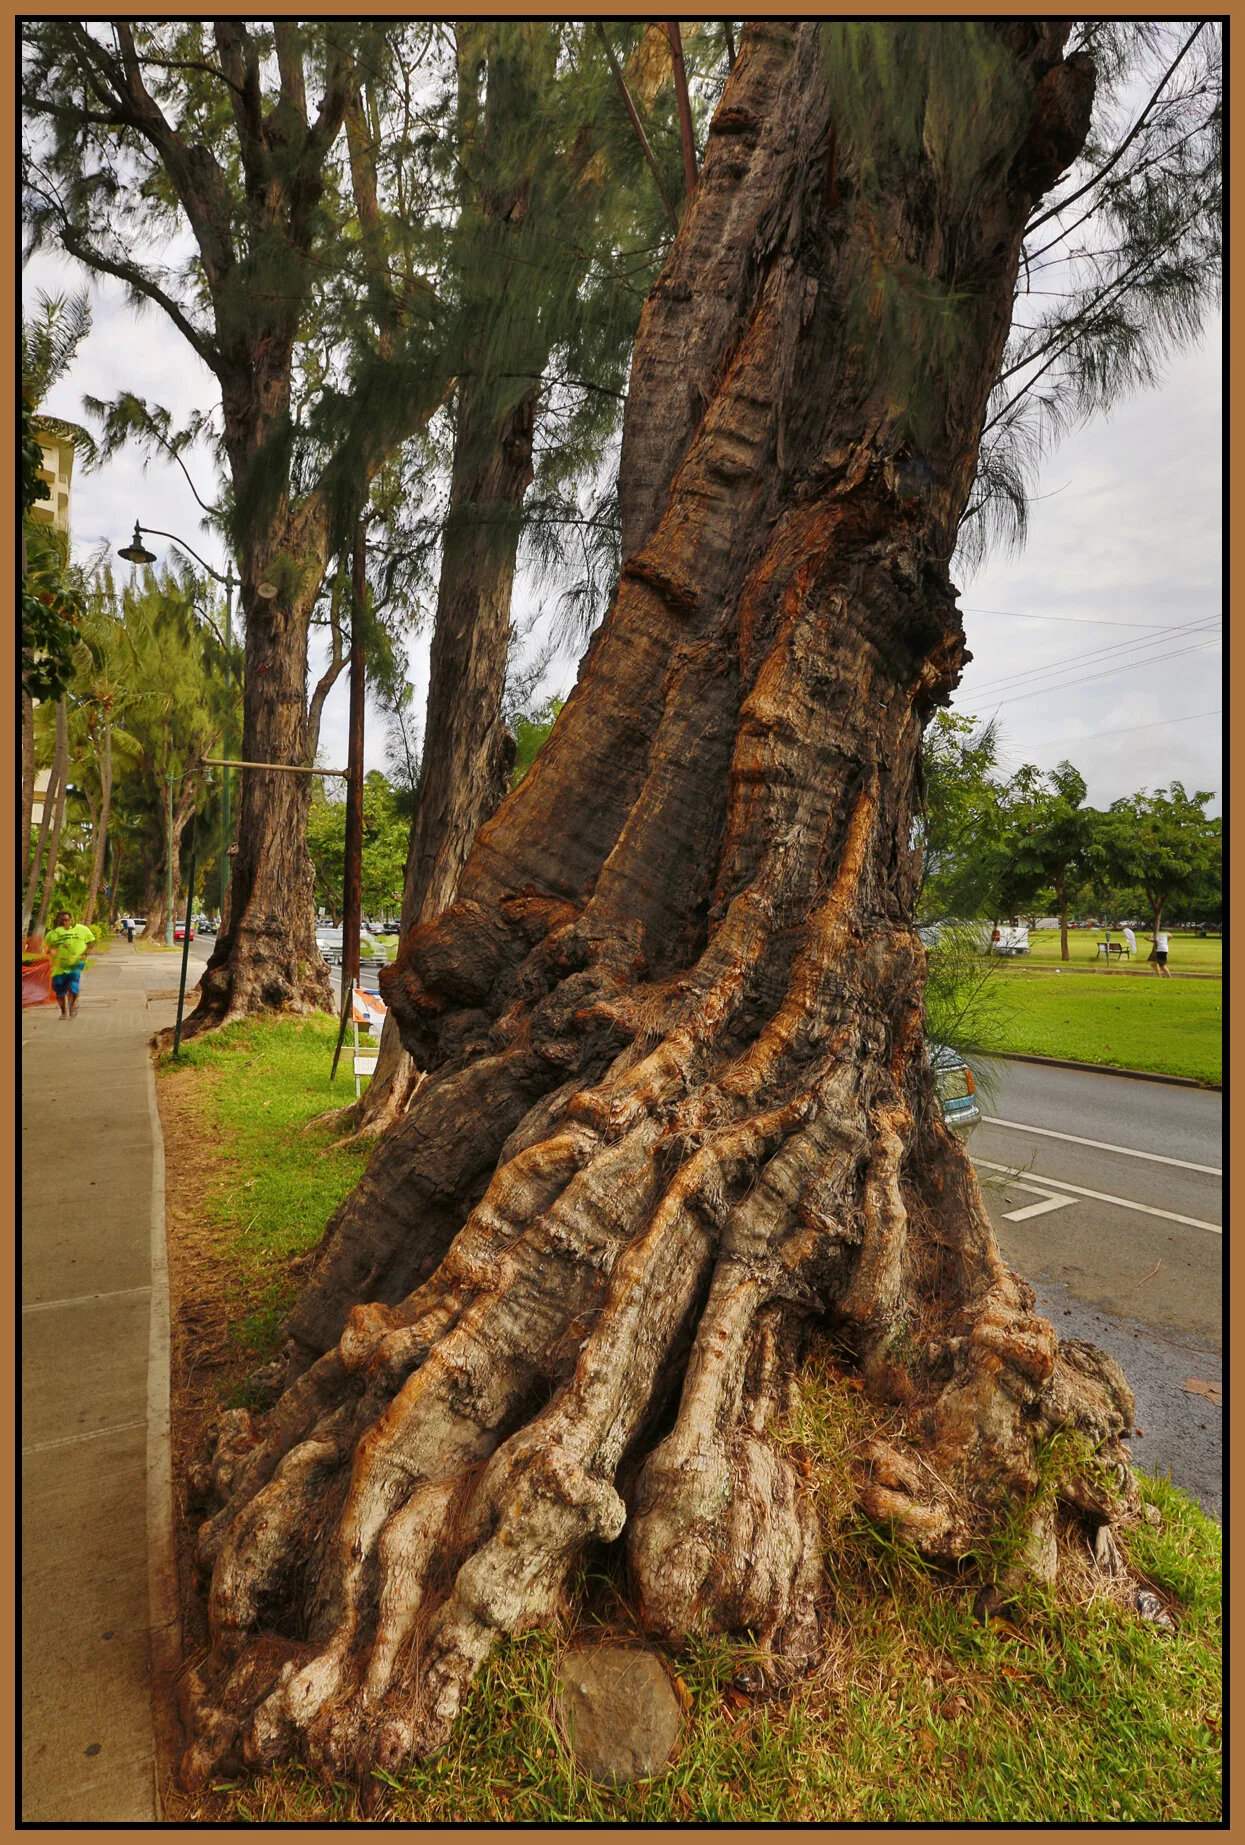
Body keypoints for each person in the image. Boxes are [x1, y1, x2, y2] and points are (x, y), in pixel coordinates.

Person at [45, 909, 96, 1017]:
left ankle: (72, 1005)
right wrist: (50, 951)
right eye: (61, 920)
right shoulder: (52, 934)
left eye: (66, 920)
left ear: (71, 920)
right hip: (59, 965)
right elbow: (45, 948)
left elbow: (91, 941)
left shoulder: (81, 929)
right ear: (58, 921)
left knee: (73, 985)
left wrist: (85, 953)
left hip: (76, 963)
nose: (64, 923)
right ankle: (63, 1012)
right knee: (60, 989)